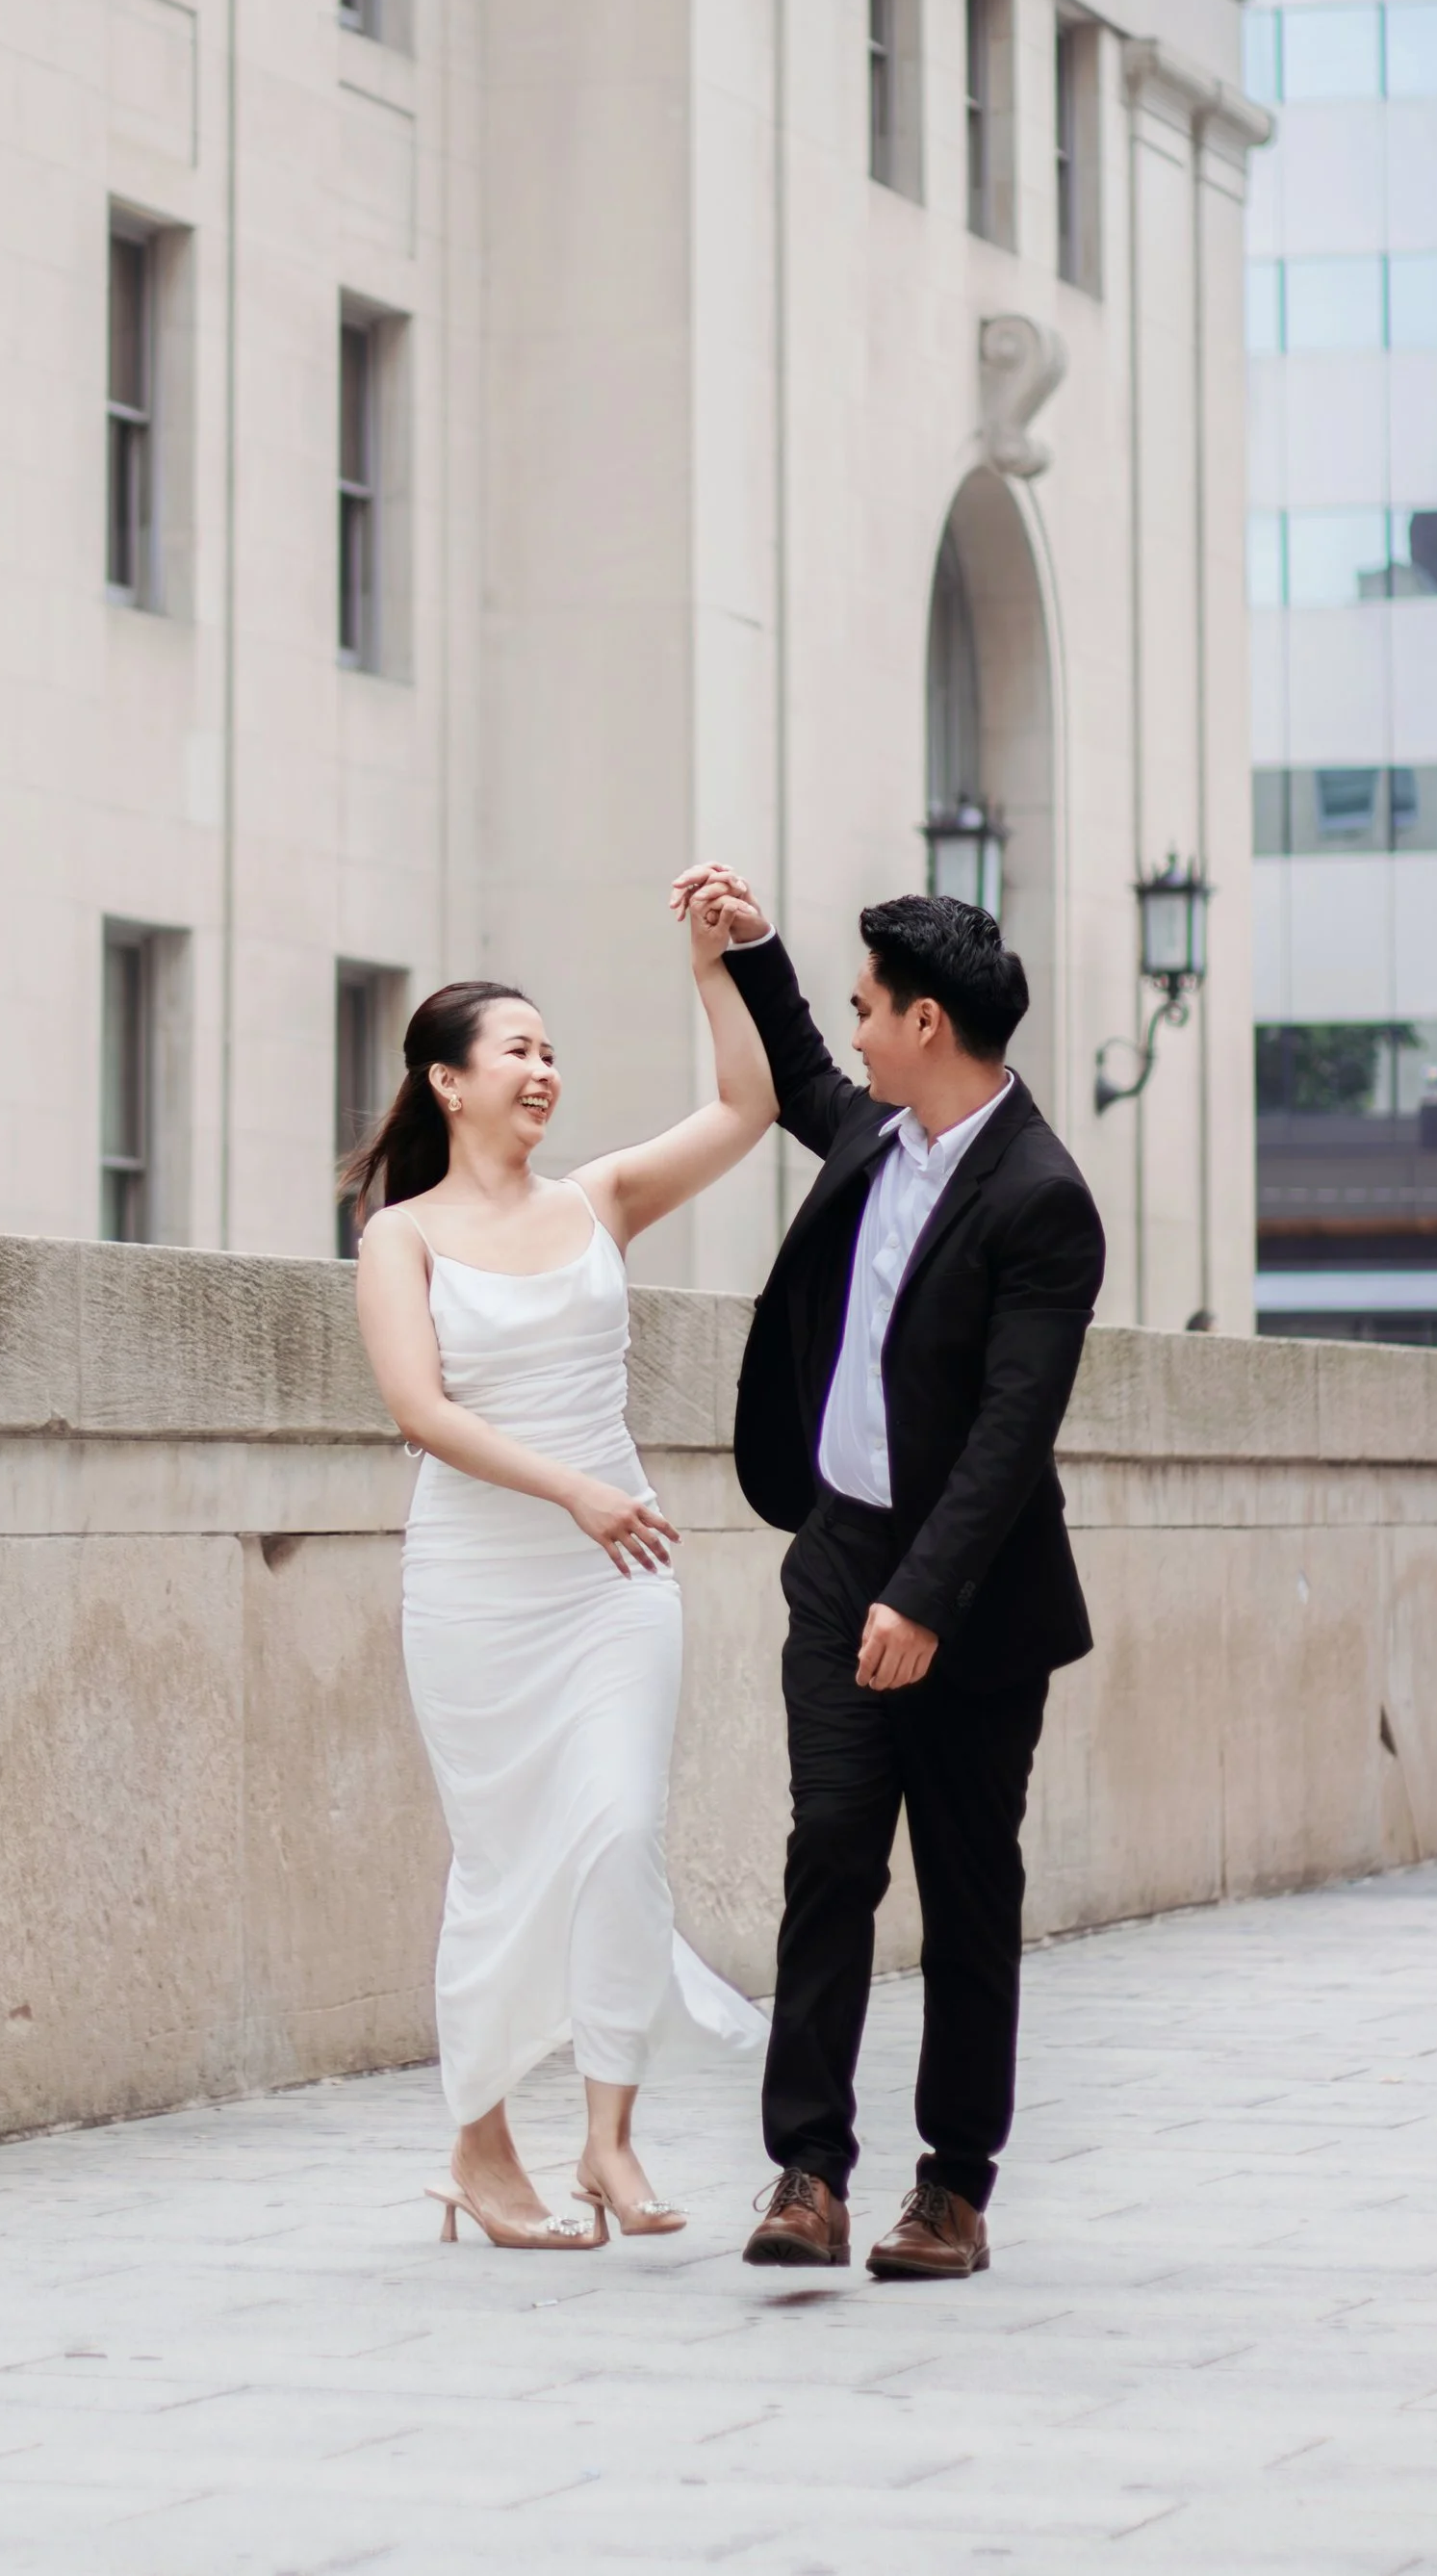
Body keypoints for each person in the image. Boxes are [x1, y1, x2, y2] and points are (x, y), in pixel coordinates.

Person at [350, 882, 774, 2251]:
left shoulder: (600, 1200)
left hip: (616, 1582)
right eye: (516, 1049)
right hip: (479, 1587)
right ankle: (480, 2151)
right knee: (502, 1864)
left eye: (550, 1050)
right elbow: (423, 1411)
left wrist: (720, 968)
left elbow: (748, 1107)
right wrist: (572, 1486)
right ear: (447, 1080)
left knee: (618, 1832)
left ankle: (608, 2139)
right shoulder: (399, 1235)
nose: (542, 1070)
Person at [695, 873, 1106, 2283]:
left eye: (874, 1007)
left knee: (970, 1886)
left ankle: (953, 2187)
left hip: (973, 1594)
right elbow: (802, 1065)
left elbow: (1010, 1435)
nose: (858, 1032)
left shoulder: (1047, 1201)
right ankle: (806, 2168)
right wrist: (753, 950)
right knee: (830, 1859)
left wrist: (924, 1600)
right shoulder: (874, 1134)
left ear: (930, 1020)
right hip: (842, 1551)